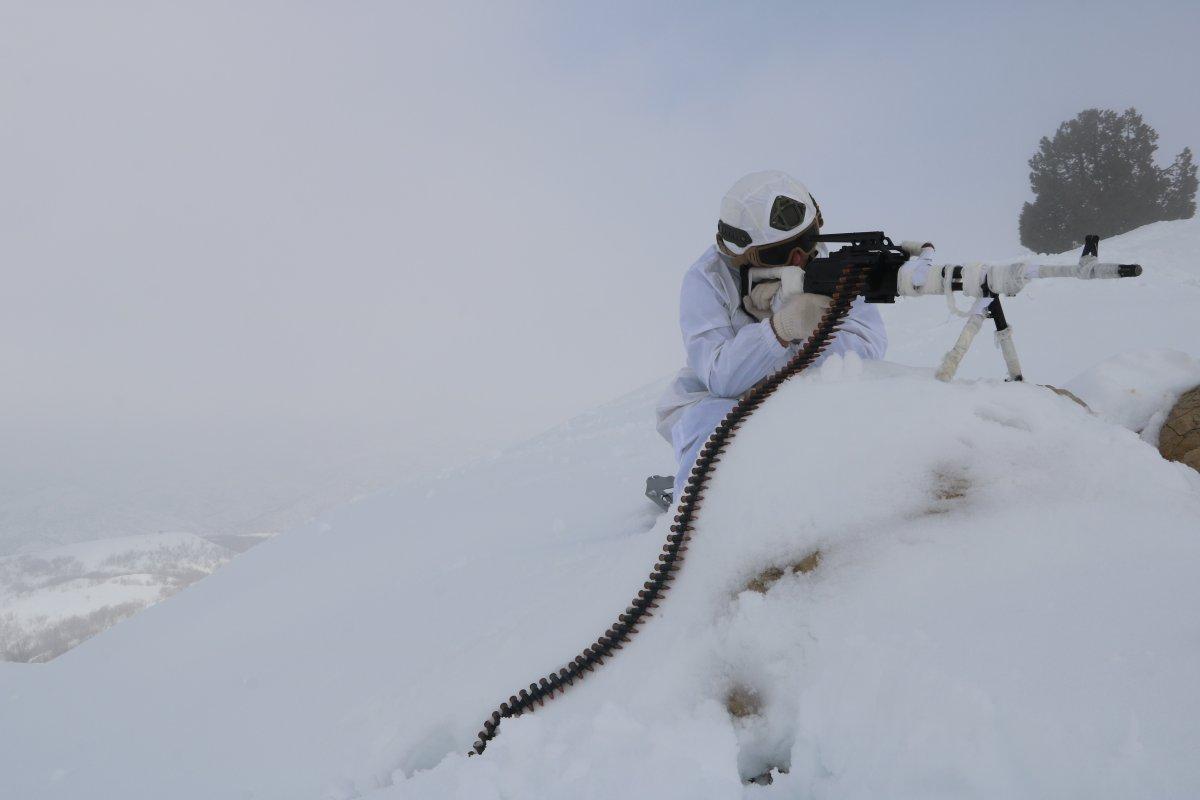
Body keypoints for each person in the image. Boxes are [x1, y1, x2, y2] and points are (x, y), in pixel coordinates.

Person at [656, 170, 888, 496]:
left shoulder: (831, 269)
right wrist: (779, 329)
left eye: (805, 244)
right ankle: (703, 513)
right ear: (742, 254)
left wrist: (814, 331)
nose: (799, 259)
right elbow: (720, 376)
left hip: (798, 397)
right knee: (720, 430)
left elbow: (869, 345)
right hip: (712, 403)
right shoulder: (707, 279)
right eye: (779, 254)